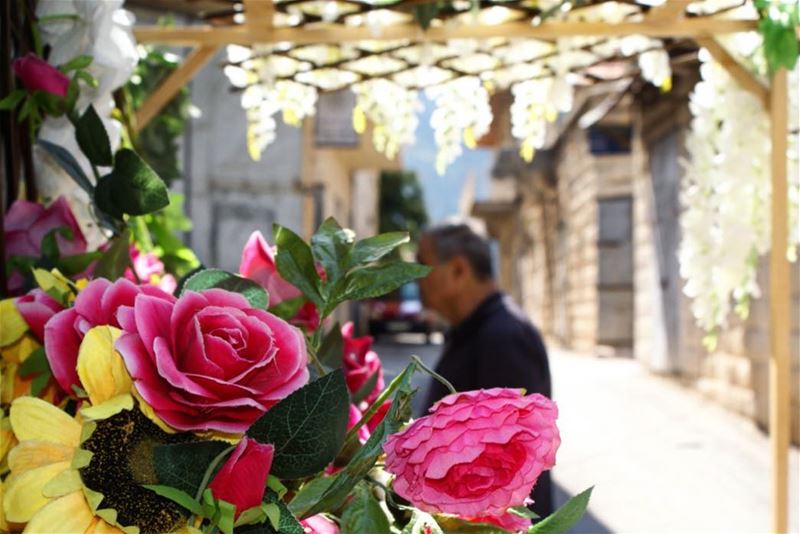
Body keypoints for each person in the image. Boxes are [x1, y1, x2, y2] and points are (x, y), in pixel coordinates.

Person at [416, 220, 554, 519]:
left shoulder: (503, 337)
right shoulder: (477, 329)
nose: (416, 279)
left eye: (423, 266)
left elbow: (508, 467)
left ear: (458, 270)